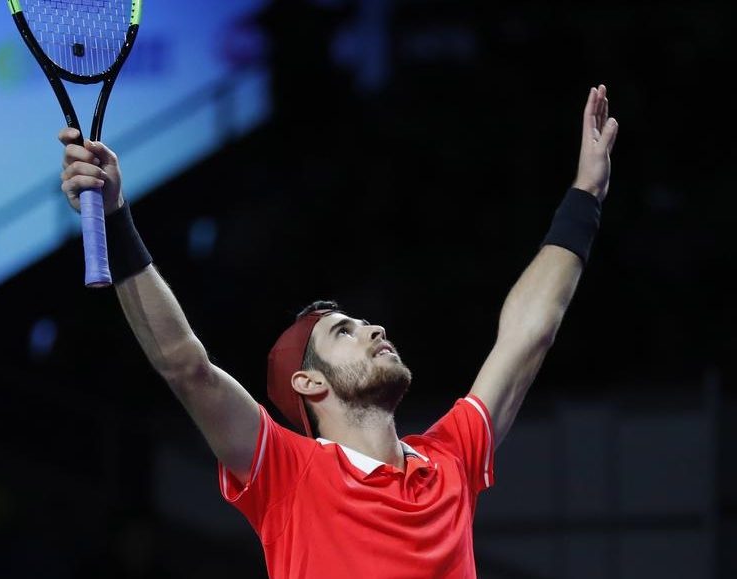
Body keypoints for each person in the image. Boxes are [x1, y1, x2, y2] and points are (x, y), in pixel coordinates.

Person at [58, 84, 618, 578]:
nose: (374, 329)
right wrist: (115, 216)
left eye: (363, 323)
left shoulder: (448, 459)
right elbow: (186, 366)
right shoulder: (287, 474)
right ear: (309, 382)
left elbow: (527, 334)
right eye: (344, 332)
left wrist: (586, 197)